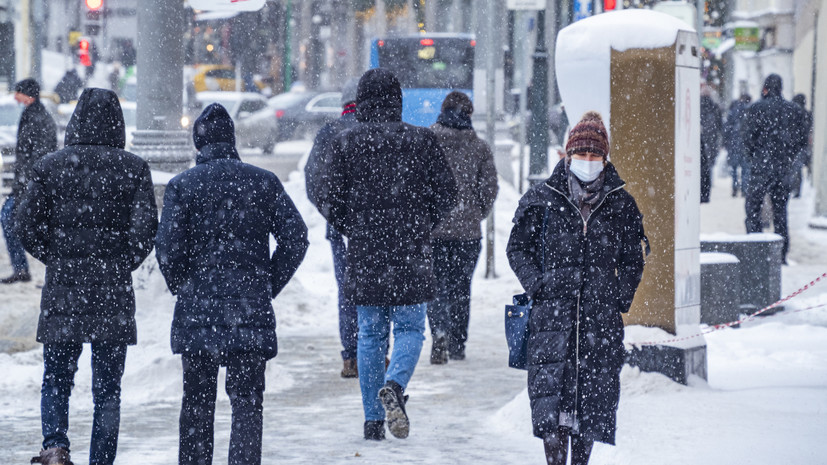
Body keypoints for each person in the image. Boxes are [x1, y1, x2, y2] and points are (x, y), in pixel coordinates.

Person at [155, 103, 308, 465]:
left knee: (196, 404)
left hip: (198, 312)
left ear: (198, 143)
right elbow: (296, 238)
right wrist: (267, 283)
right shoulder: (262, 182)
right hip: (249, 311)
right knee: (247, 405)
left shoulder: (182, 187)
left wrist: (183, 286)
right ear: (232, 140)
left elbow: (167, 249)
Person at [15, 88, 158, 465]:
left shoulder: (50, 166)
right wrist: (118, 262)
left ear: (76, 119)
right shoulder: (133, 168)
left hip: (64, 291)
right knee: (108, 390)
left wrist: (57, 256)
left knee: (56, 379)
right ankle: (101, 459)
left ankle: (55, 446)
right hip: (112, 292)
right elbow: (145, 232)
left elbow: (25, 224)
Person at [318, 68, 457, 441]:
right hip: (411, 248)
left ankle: (371, 419)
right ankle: (394, 385)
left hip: (365, 250)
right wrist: (422, 221)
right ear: (398, 100)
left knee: (370, 334)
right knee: (411, 327)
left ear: (361, 101)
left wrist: (354, 225)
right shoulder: (422, 141)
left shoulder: (346, 143)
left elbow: (327, 196)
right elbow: (448, 193)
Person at [506, 111, 646, 465]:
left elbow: (633, 258)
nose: (587, 162)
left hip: (599, 323)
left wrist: (618, 296)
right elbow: (517, 248)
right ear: (567, 155)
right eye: (581, 155)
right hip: (552, 322)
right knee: (552, 412)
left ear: (605, 158)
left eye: (594, 156)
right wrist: (538, 285)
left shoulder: (620, 205)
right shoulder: (542, 199)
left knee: (590, 412)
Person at [427, 91, 498, 364]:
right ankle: (457, 345)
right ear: (468, 114)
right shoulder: (479, 147)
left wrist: (428, 214)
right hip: (467, 232)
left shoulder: (428, 141)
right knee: (461, 288)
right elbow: (489, 187)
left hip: (433, 231)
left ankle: (439, 332)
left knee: (435, 287)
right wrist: (477, 212)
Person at [305, 78, 361, 378]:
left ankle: (350, 356)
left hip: (340, 231)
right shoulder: (377, 130)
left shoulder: (330, 133)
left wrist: (334, 216)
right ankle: (377, 353)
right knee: (380, 291)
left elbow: (313, 180)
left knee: (347, 291)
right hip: (377, 228)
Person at [743, 74, 808, 264]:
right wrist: (788, 157)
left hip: (760, 167)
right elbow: (802, 140)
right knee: (780, 212)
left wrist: (755, 157)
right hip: (782, 168)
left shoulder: (755, 109)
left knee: (753, 210)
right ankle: (780, 254)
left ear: (765, 88)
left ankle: (756, 252)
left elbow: (747, 139)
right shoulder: (793, 110)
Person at [1, 78, 57, 284]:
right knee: (11, 220)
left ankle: (32, 270)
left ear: (28, 95)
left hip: (31, 186)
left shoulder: (39, 119)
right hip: (26, 185)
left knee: (12, 220)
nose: (15, 96)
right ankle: (23, 269)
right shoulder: (32, 115)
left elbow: (37, 158)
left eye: (18, 92)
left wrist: (27, 186)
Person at [723, 93, 751, 197]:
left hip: (733, 143)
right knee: (745, 168)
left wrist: (726, 142)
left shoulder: (733, 111)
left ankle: (735, 187)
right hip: (745, 144)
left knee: (734, 168)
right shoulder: (749, 111)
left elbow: (726, 128)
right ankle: (744, 188)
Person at [700, 84, 723, 203]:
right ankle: (708, 183)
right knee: (709, 164)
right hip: (711, 138)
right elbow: (720, 125)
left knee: (702, 164)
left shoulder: (697, 106)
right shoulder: (715, 107)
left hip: (701, 139)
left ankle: (704, 186)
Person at [789, 94, 813, 198]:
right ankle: (797, 189)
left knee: (793, 168)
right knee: (797, 168)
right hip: (803, 145)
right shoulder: (807, 114)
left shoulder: (793, 113)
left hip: (794, 144)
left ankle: (793, 188)